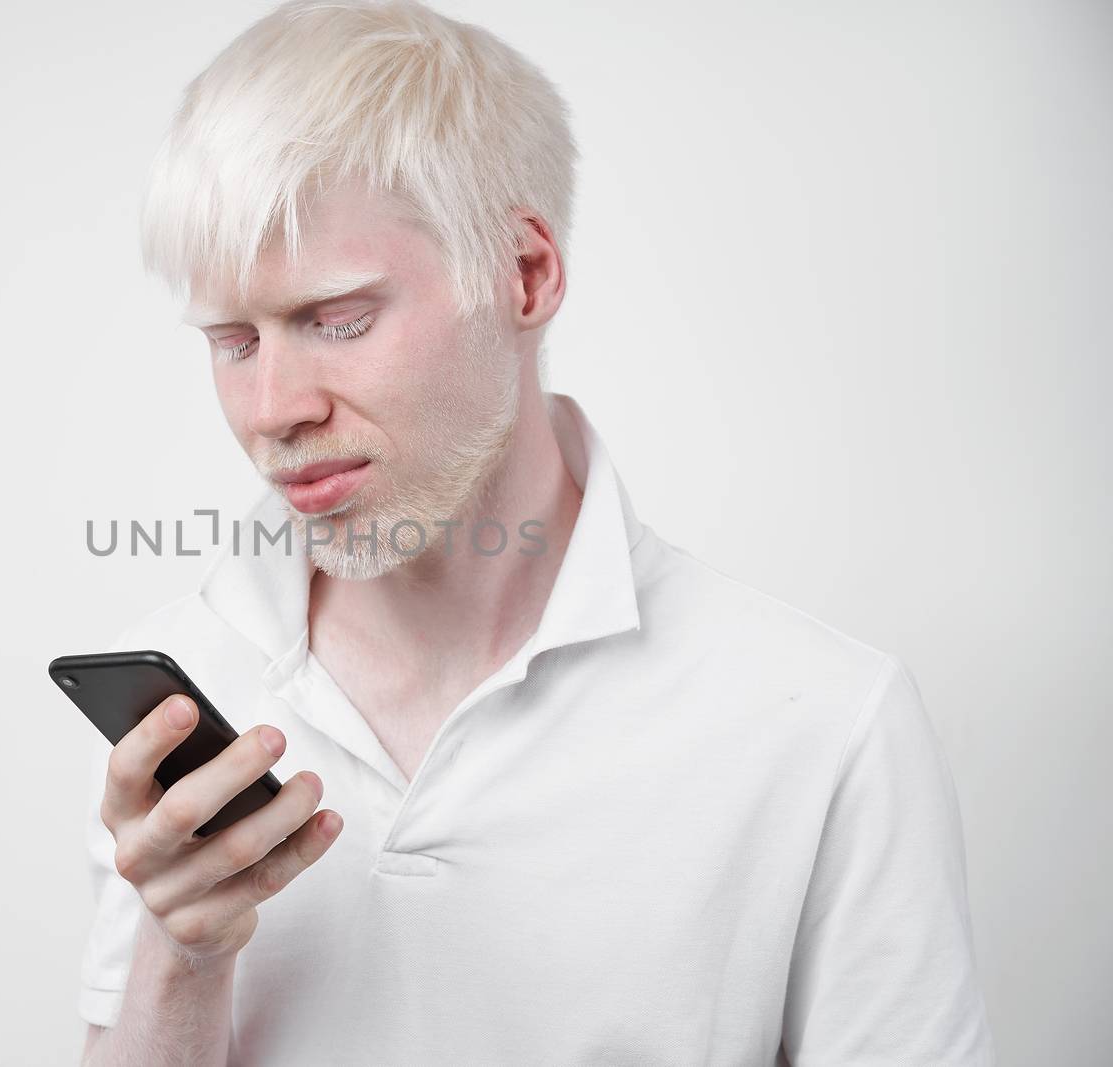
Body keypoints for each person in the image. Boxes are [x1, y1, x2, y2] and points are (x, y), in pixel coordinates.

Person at [76, 1, 995, 1063]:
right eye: (233, 340)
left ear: (524, 275)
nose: (273, 407)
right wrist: (179, 953)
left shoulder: (824, 724)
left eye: (336, 319)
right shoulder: (187, 685)